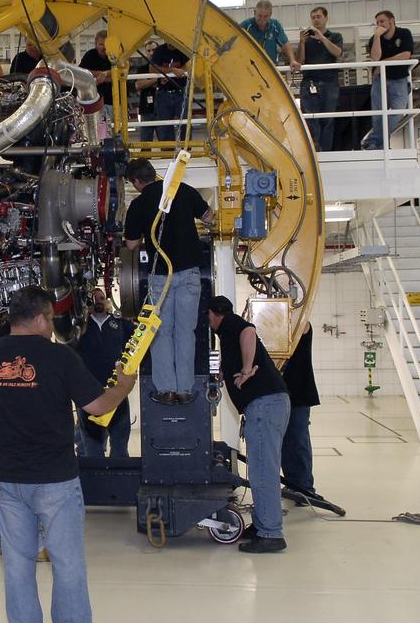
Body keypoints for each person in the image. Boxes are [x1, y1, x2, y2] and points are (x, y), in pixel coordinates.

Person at [0, 286, 136, 623]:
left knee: (18, 565)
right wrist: (124, 384)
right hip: (55, 480)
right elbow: (97, 406)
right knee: (68, 563)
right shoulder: (60, 357)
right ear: (41, 318)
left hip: (6, 479)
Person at [123, 157, 214, 404]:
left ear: (136, 181)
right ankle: (185, 389)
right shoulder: (183, 190)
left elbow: (131, 244)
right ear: (154, 174)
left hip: (160, 276)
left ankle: (167, 390)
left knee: (162, 332)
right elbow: (208, 216)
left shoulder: (139, 204)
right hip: (189, 274)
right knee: (186, 332)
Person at [206, 296, 289, 553]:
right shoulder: (227, 332)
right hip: (267, 405)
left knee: (263, 471)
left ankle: (271, 534)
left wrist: (246, 368)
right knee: (261, 469)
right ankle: (263, 523)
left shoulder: (231, 324)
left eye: (207, 316)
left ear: (214, 314)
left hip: (265, 405)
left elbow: (249, 332)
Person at [74, 288, 134, 457]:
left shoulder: (120, 323)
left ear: (107, 301)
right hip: (88, 395)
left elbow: (138, 340)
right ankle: (94, 481)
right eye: (93, 299)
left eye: (101, 298)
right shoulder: (80, 328)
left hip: (117, 391)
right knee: (92, 449)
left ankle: (120, 479)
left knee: (120, 445)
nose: (98, 301)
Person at [359, 10, 414, 150]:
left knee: (396, 113)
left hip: (399, 80)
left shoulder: (404, 34)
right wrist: (377, 36)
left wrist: (383, 64)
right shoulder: (374, 39)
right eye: (377, 22)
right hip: (380, 81)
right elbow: (376, 58)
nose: (379, 24)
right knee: (378, 116)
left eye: (382, 21)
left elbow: (405, 55)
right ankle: (379, 146)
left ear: (392, 21)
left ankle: (372, 140)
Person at [279, 325, 321, 497]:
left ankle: (304, 486)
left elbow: (303, 324)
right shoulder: (280, 328)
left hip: (299, 392)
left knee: (297, 439)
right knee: (286, 442)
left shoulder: (302, 325)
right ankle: (293, 483)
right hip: (282, 391)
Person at [295, 7, 345, 152]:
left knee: (328, 120)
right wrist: (302, 42)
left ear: (325, 18)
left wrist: (322, 38)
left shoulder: (335, 36)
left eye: (318, 17)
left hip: (330, 83)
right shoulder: (307, 40)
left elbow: (338, 52)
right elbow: (300, 61)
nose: (316, 20)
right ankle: (315, 152)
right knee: (311, 120)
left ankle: (326, 152)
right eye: (313, 17)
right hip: (310, 82)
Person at [133, 42, 189, 143]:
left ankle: (186, 150)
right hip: (158, 97)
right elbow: (141, 82)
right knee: (164, 127)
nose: (151, 53)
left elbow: (188, 66)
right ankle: (167, 151)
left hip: (179, 92)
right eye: (148, 50)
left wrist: (170, 73)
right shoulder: (145, 66)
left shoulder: (182, 50)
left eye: (153, 50)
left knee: (185, 123)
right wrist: (171, 71)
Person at [239, 0, 300, 71]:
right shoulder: (246, 25)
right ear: (254, 12)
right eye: (260, 16)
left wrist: (292, 60)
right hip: (250, 68)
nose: (262, 19)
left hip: (270, 69)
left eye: (265, 16)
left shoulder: (275, 25)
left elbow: (286, 44)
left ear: (270, 14)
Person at [79, 30, 115, 108]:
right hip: (95, 101)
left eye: (106, 44)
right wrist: (104, 75)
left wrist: (103, 75)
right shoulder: (89, 55)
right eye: (101, 44)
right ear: (96, 44)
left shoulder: (115, 55)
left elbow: (119, 71)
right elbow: (81, 72)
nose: (104, 47)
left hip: (114, 100)